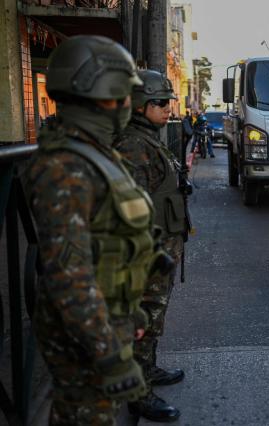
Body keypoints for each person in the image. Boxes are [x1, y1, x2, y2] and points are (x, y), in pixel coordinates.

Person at [26, 35, 153, 424]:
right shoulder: (67, 166)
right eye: (122, 96)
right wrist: (110, 355)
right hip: (84, 338)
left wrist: (129, 315)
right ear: (101, 93)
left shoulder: (94, 151)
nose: (128, 105)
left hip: (104, 320)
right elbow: (71, 278)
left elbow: (108, 236)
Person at [116, 70, 186, 422]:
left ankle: (150, 370)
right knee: (145, 315)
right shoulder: (132, 145)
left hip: (163, 244)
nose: (167, 109)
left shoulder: (147, 139)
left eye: (167, 102)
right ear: (141, 106)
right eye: (160, 103)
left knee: (155, 315)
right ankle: (138, 393)